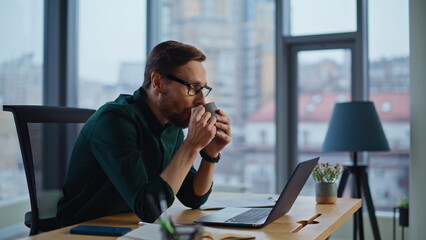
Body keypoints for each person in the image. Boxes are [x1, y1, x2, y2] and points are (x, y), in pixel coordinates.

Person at [56, 40, 232, 227]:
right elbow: (148, 209)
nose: (201, 100)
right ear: (157, 82)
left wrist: (209, 154)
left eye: (203, 89)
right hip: (82, 231)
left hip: (130, 227)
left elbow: (194, 198)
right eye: (192, 87)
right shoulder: (114, 121)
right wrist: (191, 146)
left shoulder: (172, 125)